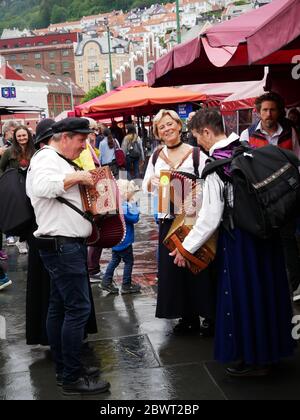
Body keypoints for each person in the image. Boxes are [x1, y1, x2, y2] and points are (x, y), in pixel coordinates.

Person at [175, 109, 295, 376]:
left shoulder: (216, 166)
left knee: (243, 298)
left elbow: (210, 217)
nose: (198, 144)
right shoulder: (245, 147)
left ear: (207, 132)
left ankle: (253, 359)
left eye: (197, 137)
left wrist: (186, 248)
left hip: (240, 240)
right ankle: (269, 354)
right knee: (268, 295)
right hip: (266, 235)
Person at [26, 117, 110, 395]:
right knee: (77, 309)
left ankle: (66, 367)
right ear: (64, 138)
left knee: (60, 308)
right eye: (80, 140)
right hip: (63, 246)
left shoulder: (54, 158)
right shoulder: (45, 157)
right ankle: (72, 377)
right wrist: (79, 176)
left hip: (64, 245)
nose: (83, 146)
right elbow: (40, 188)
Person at [142, 109, 216, 336]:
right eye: (161, 127)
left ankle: (209, 316)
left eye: (170, 124)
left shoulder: (196, 154)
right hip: (167, 218)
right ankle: (187, 317)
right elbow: (145, 185)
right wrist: (153, 181)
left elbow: (210, 182)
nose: (167, 129)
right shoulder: (155, 156)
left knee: (199, 267)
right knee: (175, 272)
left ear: (179, 125)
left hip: (193, 220)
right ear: (157, 132)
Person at [240, 92, 300, 302]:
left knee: (288, 240)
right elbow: (242, 166)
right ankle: (269, 287)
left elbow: (298, 160)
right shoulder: (247, 135)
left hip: (288, 198)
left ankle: (294, 288)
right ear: (258, 112)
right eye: (264, 110)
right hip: (262, 200)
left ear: (279, 111)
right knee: (265, 241)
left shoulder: (289, 132)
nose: (268, 114)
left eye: (272, 109)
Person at [100, 179, 141, 295]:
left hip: (116, 240)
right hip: (125, 240)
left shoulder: (116, 205)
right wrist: (134, 205)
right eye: (131, 194)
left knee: (114, 260)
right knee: (129, 262)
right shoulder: (124, 206)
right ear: (125, 193)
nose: (132, 196)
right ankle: (126, 285)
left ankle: (106, 281)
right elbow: (134, 219)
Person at [0, 125, 36, 254]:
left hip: (31, 187)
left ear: (28, 136)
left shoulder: (35, 150)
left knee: (32, 213)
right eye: (19, 136)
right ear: (15, 138)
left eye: (24, 135)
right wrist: (5, 181)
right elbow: (1, 167)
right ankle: (21, 240)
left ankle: (25, 239)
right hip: (16, 188)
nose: (22, 138)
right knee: (21, 214)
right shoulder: (9, 151)